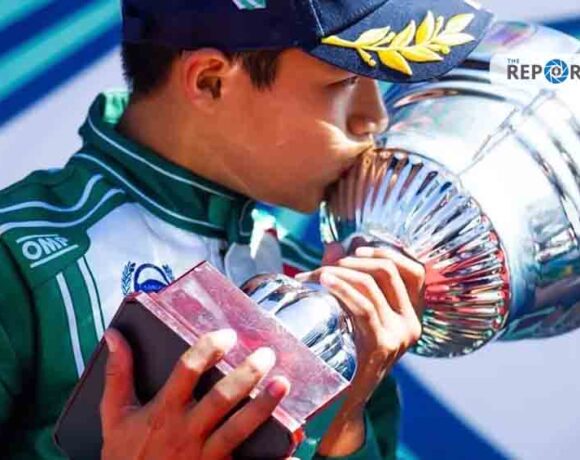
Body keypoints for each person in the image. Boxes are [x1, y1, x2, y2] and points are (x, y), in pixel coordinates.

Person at [0, 0, 493, 458]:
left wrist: (343, 418)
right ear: (210, 81)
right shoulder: (20, 257)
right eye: (345, 83)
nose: (374, 118)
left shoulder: (327, 283)